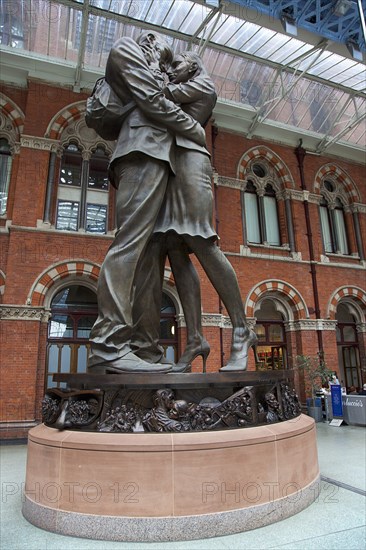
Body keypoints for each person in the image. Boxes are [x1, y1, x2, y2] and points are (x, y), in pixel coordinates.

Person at [87, 33, 206, 374]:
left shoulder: (153, 66)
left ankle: (145, 350)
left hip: (158, 157)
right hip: (140, 152)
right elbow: (152, 99)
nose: (163, 62)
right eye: (159, 53)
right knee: (129, 246)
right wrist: (193, 129)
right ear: (148, 43)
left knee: (148, 259)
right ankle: (108, 343)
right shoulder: (125, 48)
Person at [131, 51, 257, 373]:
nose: (172, 69)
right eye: (170, 66)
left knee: (202, 241)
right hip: (171, 166)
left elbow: (160, 96)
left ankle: (242, 328)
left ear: (194, 64)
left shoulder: (203, 86)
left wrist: (153, 77)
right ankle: (195, 339)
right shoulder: (185, 82)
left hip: (191, 162)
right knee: (174, 250)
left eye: (177, 64)